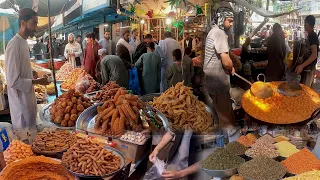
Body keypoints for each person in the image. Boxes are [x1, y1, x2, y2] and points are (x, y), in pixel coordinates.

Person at [5, 8, 50, 141]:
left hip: (28, 100)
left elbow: (22, 68)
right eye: (34, 23)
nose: (35, 28)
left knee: (33, 136)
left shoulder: (24, 43)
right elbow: (13, 81)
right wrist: (38, 82)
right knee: (26, 142)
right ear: (23, 23)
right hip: (20, 105)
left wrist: (33, 72)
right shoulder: (13, 45)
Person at [203, 8, 237, 138]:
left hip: (211, 79)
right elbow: (226, 61)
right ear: (222, 19)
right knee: (225, 116)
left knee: (218, 111)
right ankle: (229, 142)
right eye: (229, 21)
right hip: (218, 80)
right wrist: (231, 67)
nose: (231, 24)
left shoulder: (213, 31)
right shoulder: (220, 33)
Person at [295, 15, 319, 87]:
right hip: (306, 69)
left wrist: (302, 66)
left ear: (307, 24)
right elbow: (309, 51)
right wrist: (302, 57)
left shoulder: (313, 36)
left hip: (309, 69)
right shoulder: (309, 35)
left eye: (304, 23)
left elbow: (314, 55)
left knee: (306, 92)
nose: (304, 25)